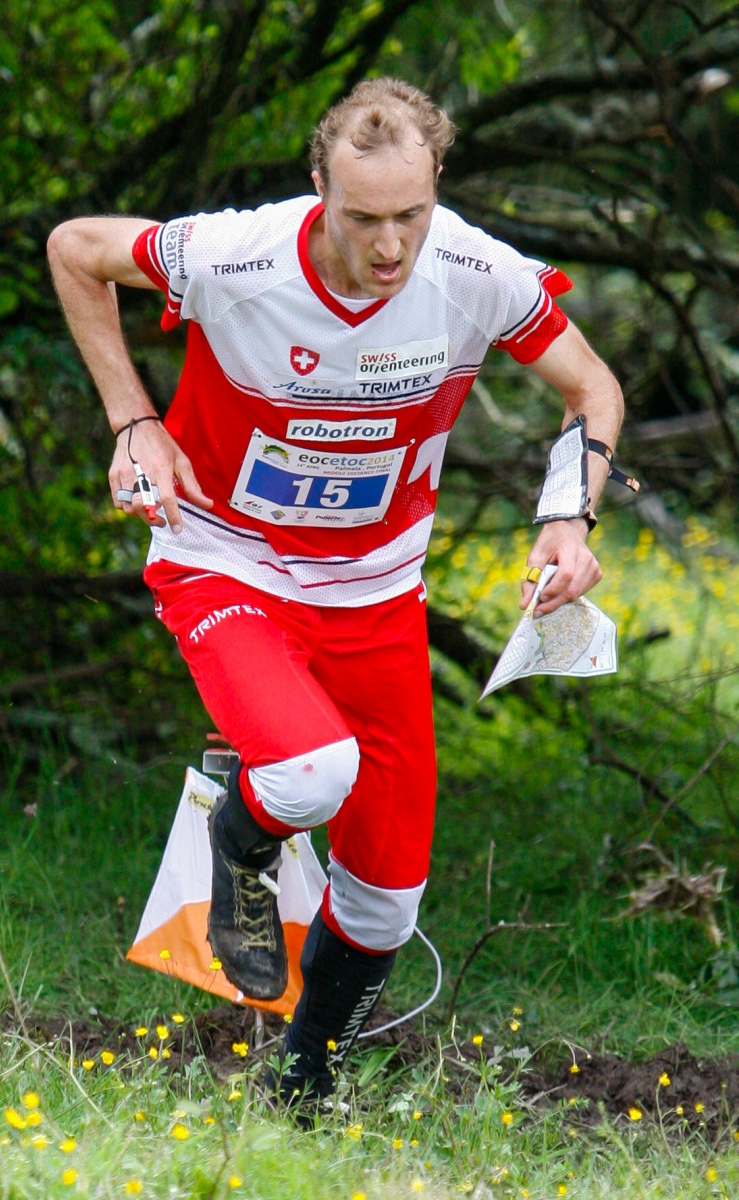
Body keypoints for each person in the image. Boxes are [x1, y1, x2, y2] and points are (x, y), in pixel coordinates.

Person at [47, 77, 624, 1107]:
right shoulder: (234, 256)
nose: (390, 246)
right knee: (311, 773)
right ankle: (241, 840)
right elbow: (75, 248)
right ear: (319, 187)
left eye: (412, 214)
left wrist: (567, 516)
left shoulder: (476, 273)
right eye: (363, 219)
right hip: (225, 560)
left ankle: (304, 1088)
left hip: (375, 592)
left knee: (389, 899)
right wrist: (133, 421)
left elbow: (594, 389)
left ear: (437, 184)